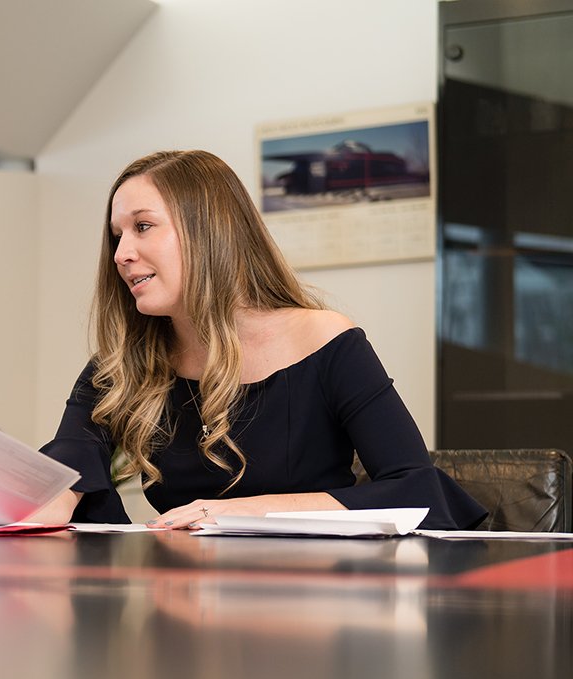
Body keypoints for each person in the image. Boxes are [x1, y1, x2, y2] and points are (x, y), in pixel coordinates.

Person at [36, 150, 485, 530]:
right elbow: (73, 457)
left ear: (209, 230)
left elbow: (416, 487)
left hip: (313, 610)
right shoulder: (119, 366)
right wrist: (51, 497)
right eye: (117, 237)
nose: (121, 254)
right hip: (183, 616)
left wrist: (241, 513)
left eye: (143, 226)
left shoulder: (326, 340)